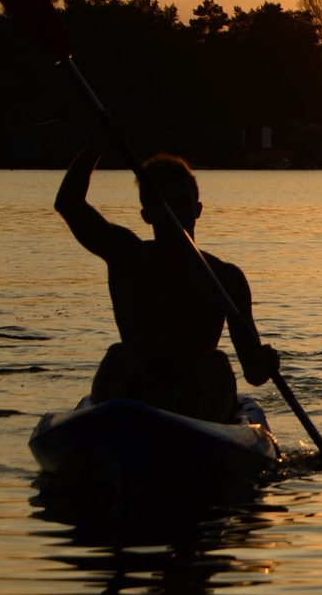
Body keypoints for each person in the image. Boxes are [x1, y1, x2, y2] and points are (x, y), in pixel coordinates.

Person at [55, 138, 278, 422]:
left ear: (197, 209)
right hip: (136, 394)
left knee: (217, 364)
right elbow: (68, 203)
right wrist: (98, 142)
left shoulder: (225, 277)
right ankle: (109, 431)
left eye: (181, 201)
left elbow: (254, 372)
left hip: (198, 401)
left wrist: (266, 361)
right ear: (147, 215)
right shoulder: (127, 255)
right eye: (163, 202)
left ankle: (200, 441)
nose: (174, 211)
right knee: (119, 356)